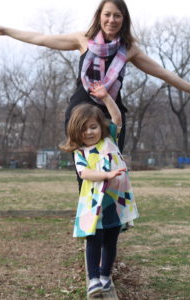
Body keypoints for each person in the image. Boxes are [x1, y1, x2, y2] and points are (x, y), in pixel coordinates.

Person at [0, 0, 190, 154]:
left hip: (112, 117)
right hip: (79, 113)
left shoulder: (129, 50)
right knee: (86, 175)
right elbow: (41, 39)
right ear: (100, 17)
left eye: (117, 15)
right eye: (108, 14)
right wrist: (6, 30)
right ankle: (88, 209)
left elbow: (164, 73)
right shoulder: (83, 39)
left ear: (124, 19)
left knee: (112, 172)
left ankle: (110, 209)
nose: (112, 20)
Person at [60, 81, 139, 295]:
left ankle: (105, 275)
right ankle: (93, 278)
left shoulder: (109, 138)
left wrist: (105, 97)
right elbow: (84, 174)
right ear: (76, 132)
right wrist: (106, 175)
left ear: (100, 127)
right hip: (93, 203)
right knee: (93, 240)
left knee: (111, 241)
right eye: (83, 129)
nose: (89, 132)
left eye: (93, 127)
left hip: (114, 201)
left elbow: (117, 117)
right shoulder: (80, 152)